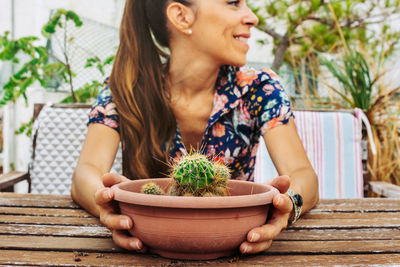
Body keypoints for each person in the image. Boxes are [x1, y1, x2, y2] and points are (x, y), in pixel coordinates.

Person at [71, 0, 319, 255]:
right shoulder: (126, 91)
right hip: (147, 250)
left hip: (237, 246)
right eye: (233, 3)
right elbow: (85, 174)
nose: (252, 17)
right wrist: (107, 204)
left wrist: (288, 205)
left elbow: (302, 175)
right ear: (181, 16)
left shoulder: (259, 88)